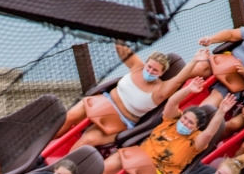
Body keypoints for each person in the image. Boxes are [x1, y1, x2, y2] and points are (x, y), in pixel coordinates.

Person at [54, 44, 207, 150]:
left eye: (155, 70)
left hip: (121, 120)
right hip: (104, 101)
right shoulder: (137, 67)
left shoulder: (161, 89)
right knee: (70, 117)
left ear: (161, 73)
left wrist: (194, 60)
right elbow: (122, 49)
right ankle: (43, 146)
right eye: (149, 67)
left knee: (88, 140)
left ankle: (56, 168)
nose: (151, 71)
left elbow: (179, 79)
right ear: (146, 64)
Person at [101, 87, 239, 174]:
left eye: (190, 123)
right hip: (139, 155)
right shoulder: (172, 120)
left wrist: (221, 112)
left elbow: (209, 133)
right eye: (185, 118)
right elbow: (172, 102)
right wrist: (189, 89)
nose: (185, 123)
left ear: (196, 128)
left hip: (156, 171)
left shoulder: (195, 141)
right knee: (104, 168)